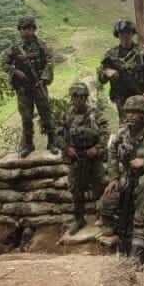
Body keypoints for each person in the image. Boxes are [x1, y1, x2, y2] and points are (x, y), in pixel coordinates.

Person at [99, 94, 144, 264]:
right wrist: (114, 177)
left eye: (135, 112)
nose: (130, 115)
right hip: (128, 176)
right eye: (128, 112)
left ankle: (136, 253)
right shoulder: (124, 132)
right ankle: (112, 234)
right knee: (111, 195)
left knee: (142, 193)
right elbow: (112, 152)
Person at [2, 16, 58, 156]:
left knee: (46, 113)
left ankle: (52, 142)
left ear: (33, 29)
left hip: (39, 85)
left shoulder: (41, 46)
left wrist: (44, 79)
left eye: (28, 28)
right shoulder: (15, 48)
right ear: (19, 31)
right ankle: (28, 144)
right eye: (22, 29)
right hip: (23, 88)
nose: (25, 32)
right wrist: (15, 71)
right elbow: (4, 63)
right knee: (26, 117)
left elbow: (50, 62)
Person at [59, 82, 110, 235]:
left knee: (99, 186)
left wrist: (98, 148)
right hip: (76, 156)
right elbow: (58, 134)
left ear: (85, 98)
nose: (78, 100)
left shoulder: (96, 114)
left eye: (81, 97)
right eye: (75, 97)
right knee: (76, 188)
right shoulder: (66, 115)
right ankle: (79, 219)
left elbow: (105, 133)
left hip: (93, 157)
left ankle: (103, 217)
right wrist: (67, 148)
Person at [98, 19, 144, 119]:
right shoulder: (111, 55)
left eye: (128, 33)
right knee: (127, 129)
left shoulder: (143, 52)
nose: (125, 36)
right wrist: (106, 72)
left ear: (132, 34)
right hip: (124, 102)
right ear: (118, 35)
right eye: (122, 33)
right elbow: (101, 77)